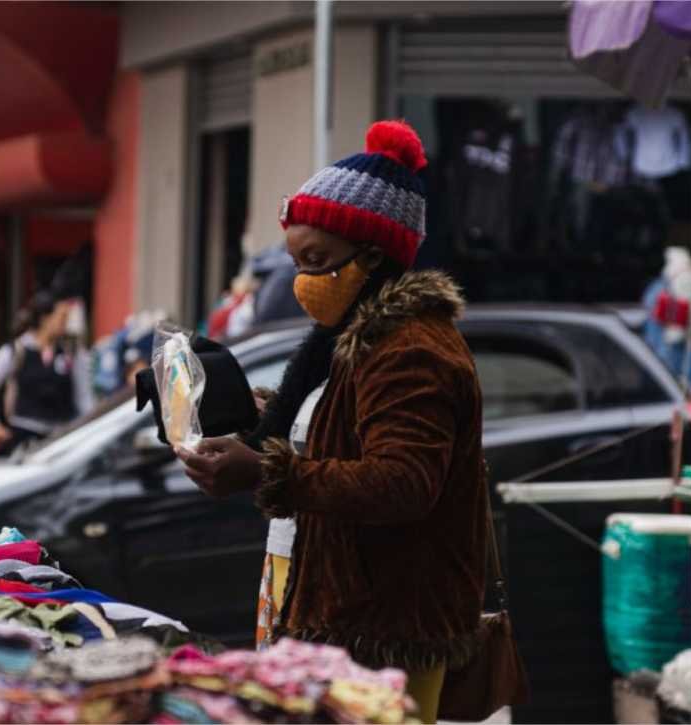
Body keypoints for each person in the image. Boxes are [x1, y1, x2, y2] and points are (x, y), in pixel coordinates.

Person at [175, 120, 488, 724]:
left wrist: (268, 473)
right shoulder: (342, 340)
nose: (301, 281)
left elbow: (402, 481)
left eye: (315, 259)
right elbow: (335, 430)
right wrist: (243, 412)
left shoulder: (411, 349)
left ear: (372, 255)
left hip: (379, 622)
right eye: (295, 261)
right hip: (316, 594)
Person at [0, 292, 93, 447]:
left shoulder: (72, 352)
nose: (66, 323)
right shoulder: (17, 350)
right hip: (25, 435)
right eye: (62, 317)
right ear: (45, 318)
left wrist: (91, 427)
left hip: (62, 436)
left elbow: (84, 395)